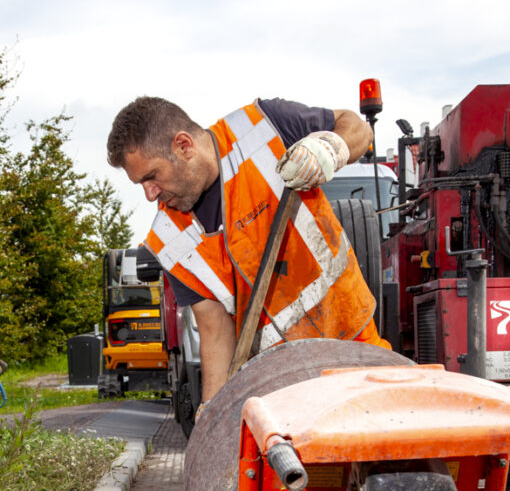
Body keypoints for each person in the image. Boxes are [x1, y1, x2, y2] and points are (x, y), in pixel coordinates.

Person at [106, 96, 389, 408]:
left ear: (184, 146)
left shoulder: (263, 127)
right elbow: (214, 332)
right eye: (140, 184)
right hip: (278, 386)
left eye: (151, 176)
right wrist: (212, 413)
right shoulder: (170, 239)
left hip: (351, 344)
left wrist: (331, 148)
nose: (149, 195)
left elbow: (359, 128)